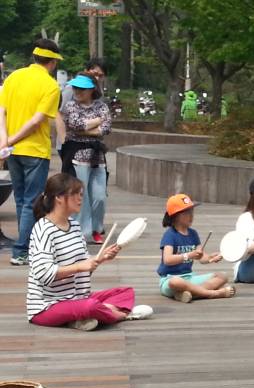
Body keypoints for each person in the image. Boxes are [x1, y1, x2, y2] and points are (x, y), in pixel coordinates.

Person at [27, 173, 152, 330]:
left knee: (126, 292)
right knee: (90, 306)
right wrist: (81, 266)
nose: (80, 199)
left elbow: (85, 269)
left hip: (77, 297)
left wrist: (101, 258)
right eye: (76, 194)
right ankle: (119, 315)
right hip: (47, 306)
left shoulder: (74, 225)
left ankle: (84, 317)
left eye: (81, 194)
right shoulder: (43, 230)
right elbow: (43, 273)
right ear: (59, 197)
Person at [0, 39, 62, 266]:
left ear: (34, 57)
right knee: (31, 202)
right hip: (35, 150)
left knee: (20, 200)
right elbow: (37, 121)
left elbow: (2, 112)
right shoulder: (51, 86)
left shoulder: (13, 77)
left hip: (12, 151)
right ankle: (21, 250)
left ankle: (25, 246)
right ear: (53, 62)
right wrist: (12, 141)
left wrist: (5, 142)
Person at [59, 73, 111, 244]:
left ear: (91, 90)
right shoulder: (70, 106)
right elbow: (75, 125)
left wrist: (86, 128)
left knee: (99, 196)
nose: (77, 91)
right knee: (81, 196)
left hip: (97, 157)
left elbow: (106, 128)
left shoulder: (102, 106)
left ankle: (97, 228)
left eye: (82, 88)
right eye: (75, 87)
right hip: (77, 156)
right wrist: (97, 121)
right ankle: (83, 231)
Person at [157, 193, 234, 302]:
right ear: (177, 215)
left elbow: (200, 257)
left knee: (222, 276)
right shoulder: (170, 235)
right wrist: (187, 255)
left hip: (189, 278)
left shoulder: (193, 234)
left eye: (192, 212)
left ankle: (186, 294)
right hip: (169, 279)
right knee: (176, 282)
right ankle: (212, 293)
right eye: (187, 213)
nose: (192, 216)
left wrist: (210, 258)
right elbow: (167, 260)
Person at [56, 58, 106, 150]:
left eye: (101, 75)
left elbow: (105, 122)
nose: (97, 78)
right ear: (86, 71)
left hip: (92, 145)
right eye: (94, 73)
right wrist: (64, 140)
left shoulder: (99, 92)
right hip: (70, 144)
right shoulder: (71, 88)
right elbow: (60, 114)